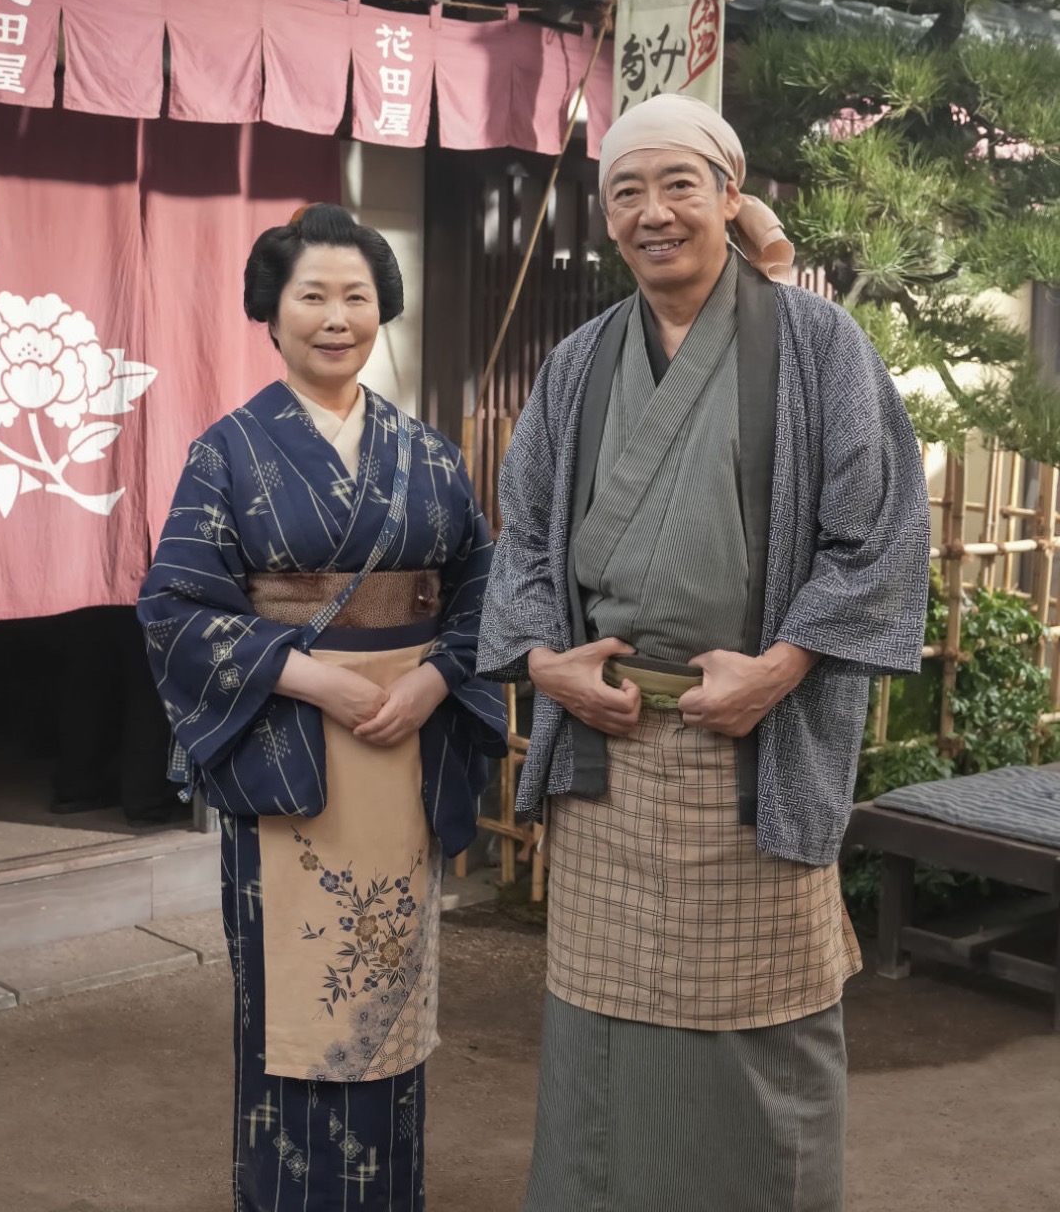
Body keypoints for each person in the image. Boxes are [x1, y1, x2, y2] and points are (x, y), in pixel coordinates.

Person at [478, 94, 931, 1212]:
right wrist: (543, 660)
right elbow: (523, 535)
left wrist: (782, 667)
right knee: (603, 1027)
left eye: (678, 184)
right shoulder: (579, 362)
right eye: (626, 191)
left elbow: (878, 537)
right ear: (607, 217)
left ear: (729, 196)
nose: (654, 213)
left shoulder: (817, 345)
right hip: (607, 750)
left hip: (752, 753)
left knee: (759, 1027)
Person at [138, 203, 507, 1212]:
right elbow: (176, 608)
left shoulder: (427, 453)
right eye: (313, 296)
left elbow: (483, 590)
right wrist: (316, 679)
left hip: (405, 751)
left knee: (387, 988)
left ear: (382, 310)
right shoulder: (226, 452)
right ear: (272, 312)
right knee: (292, 1001)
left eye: (356, 297)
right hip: (290, 748)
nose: (336, 317)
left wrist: (434, 681)